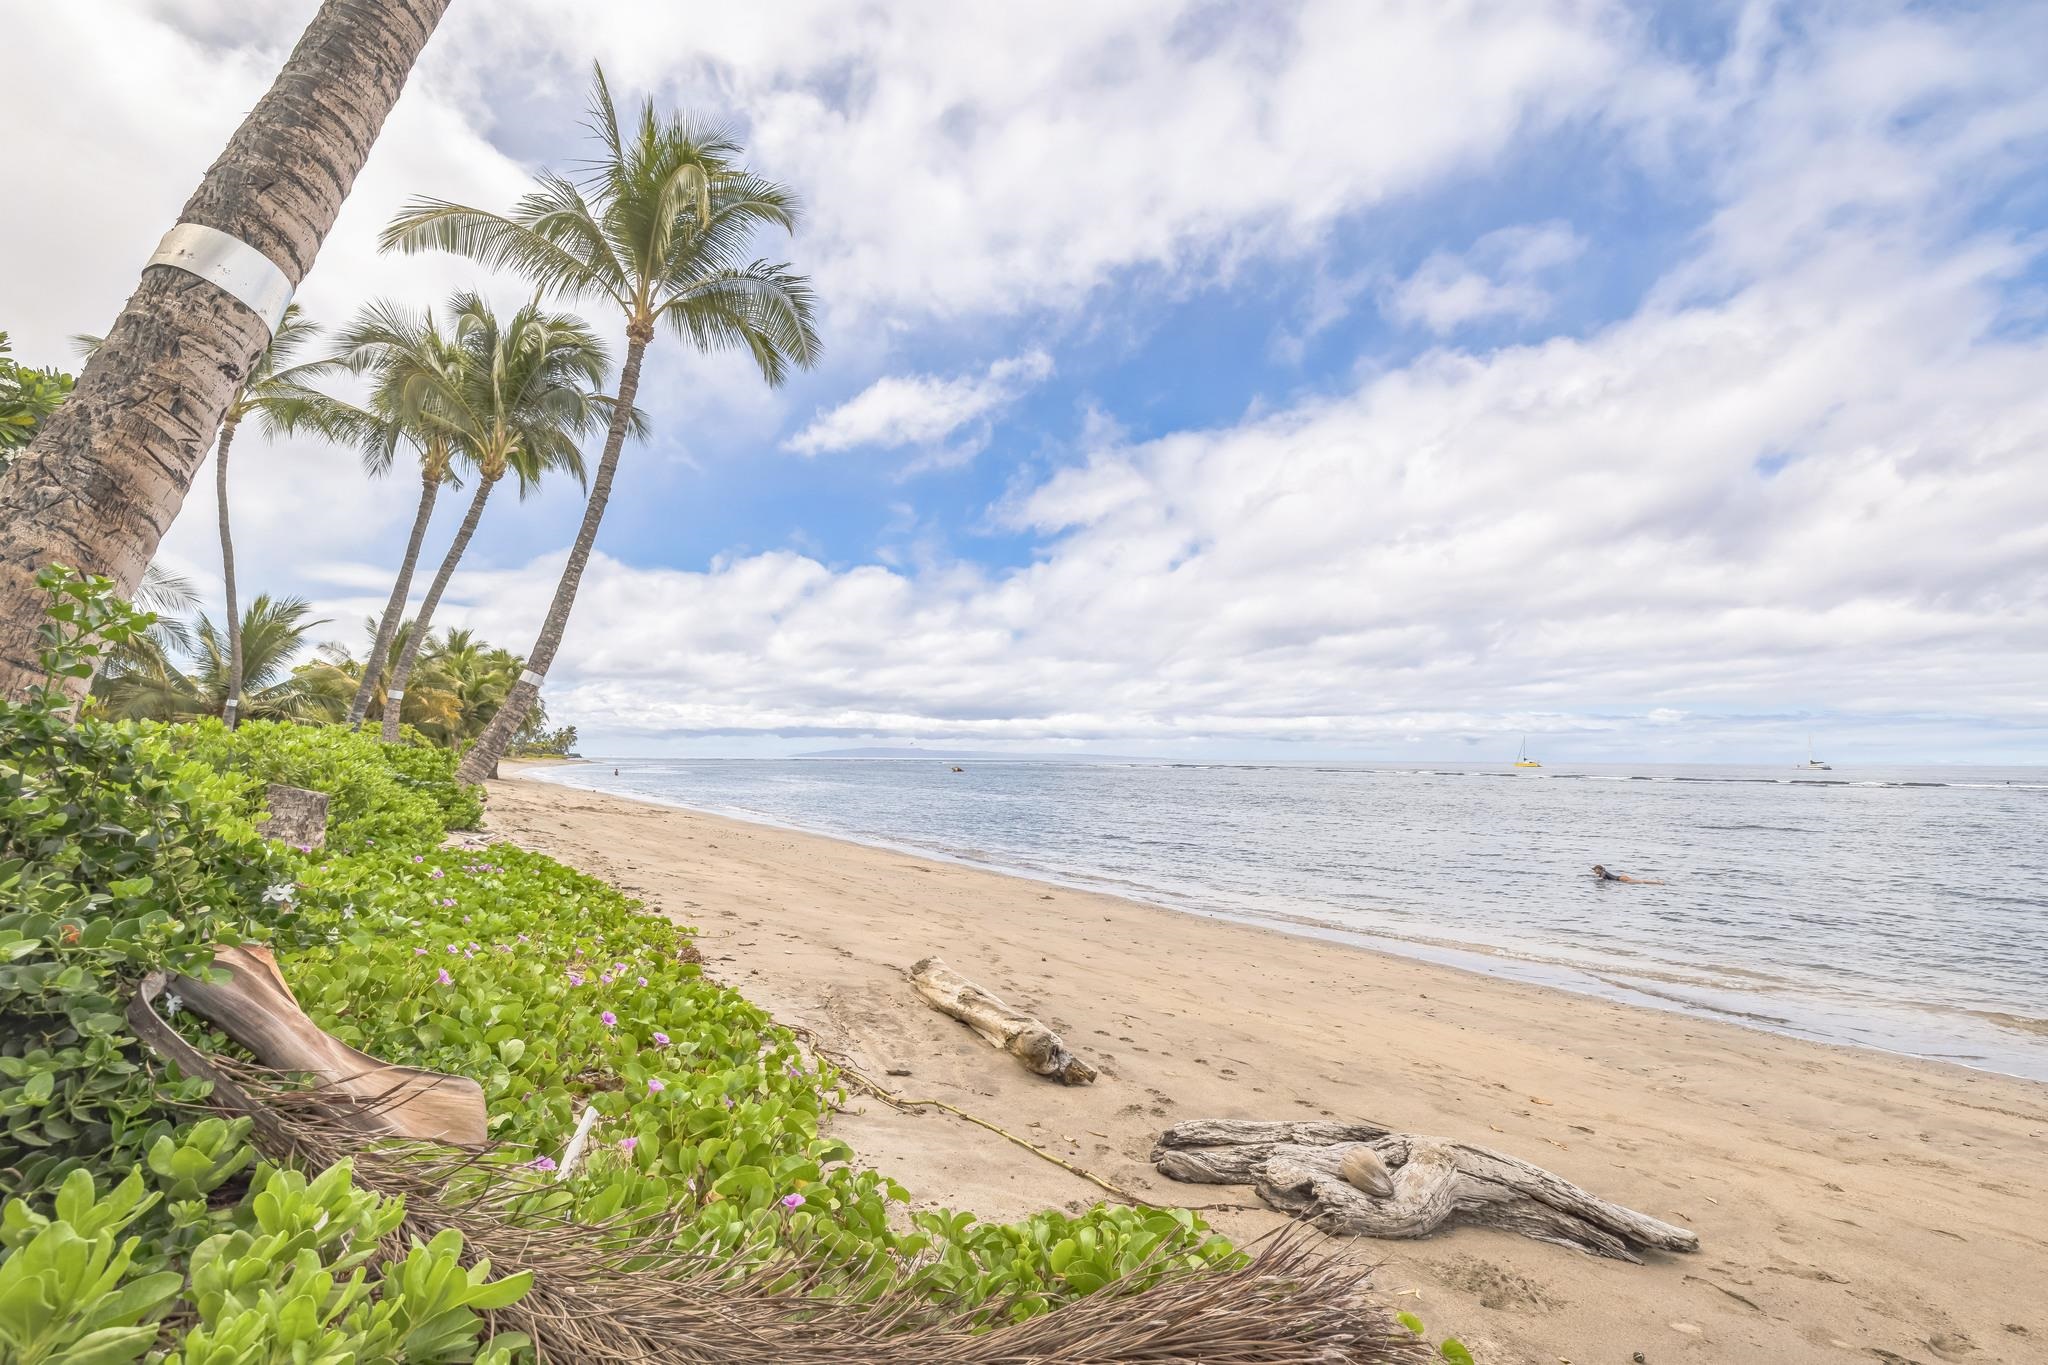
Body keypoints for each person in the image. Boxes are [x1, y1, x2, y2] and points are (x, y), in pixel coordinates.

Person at [1592, 864, 1663, 885]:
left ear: (1598, 869)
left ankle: (1657, 882)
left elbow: (1602, 879)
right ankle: (1657, 882)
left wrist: (1599, 880)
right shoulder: (1603, 872)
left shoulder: (1603, 873)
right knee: (1640, 881)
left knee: (1641, 882)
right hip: (1621, 878)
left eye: (1595, 870)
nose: (1594, 871)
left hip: (1621, 879)